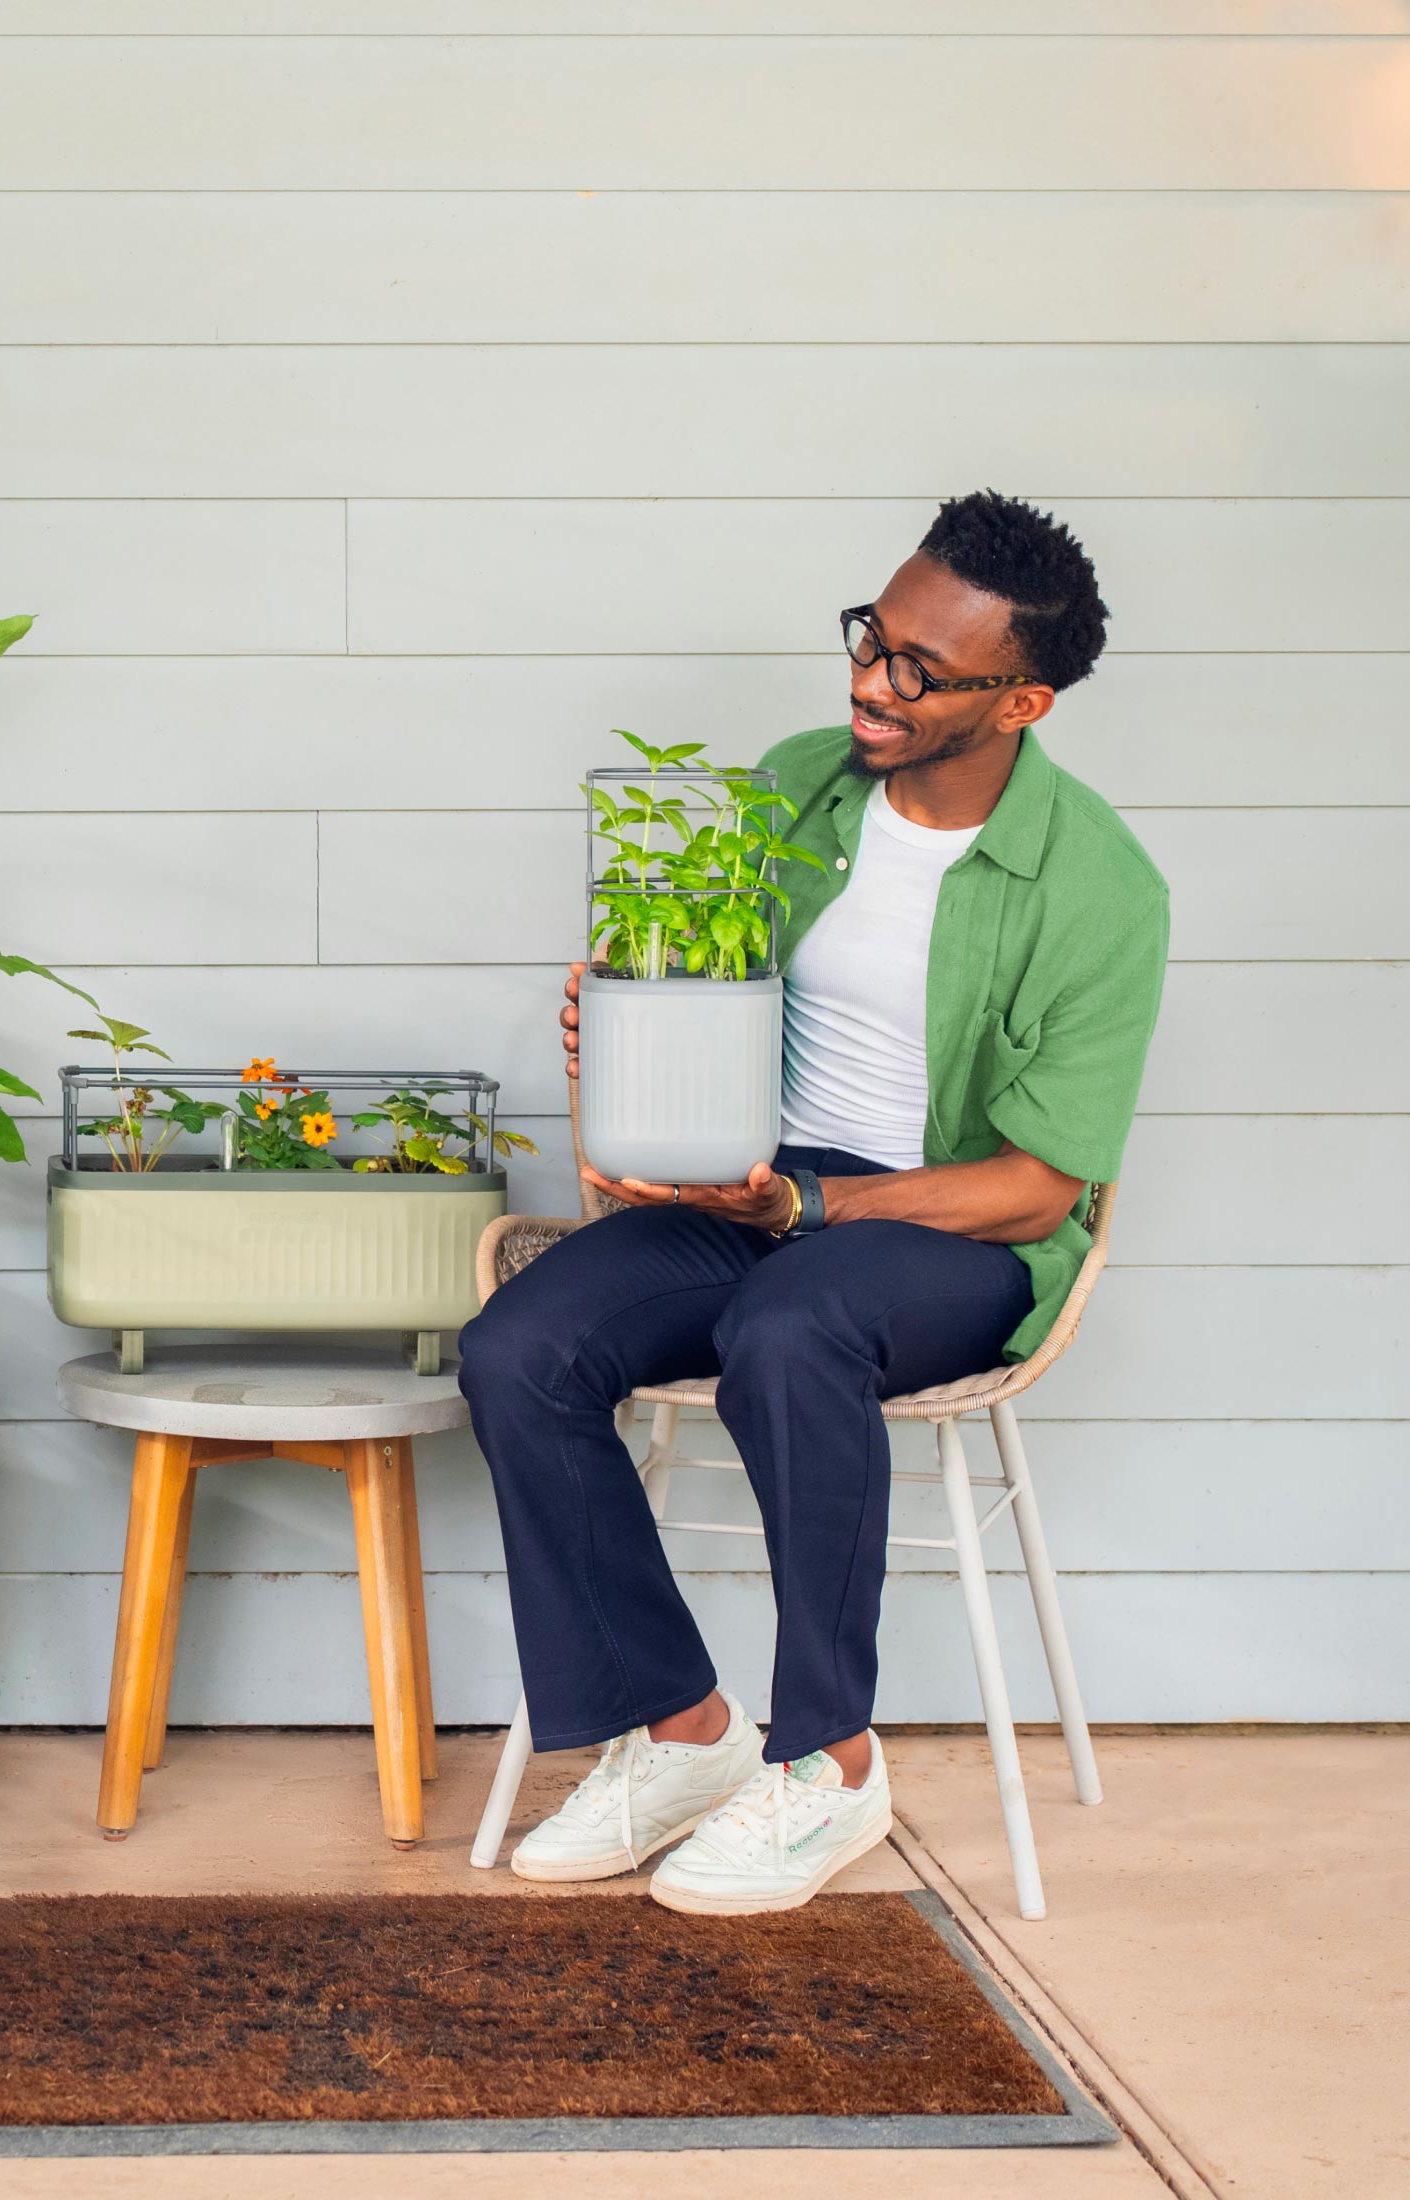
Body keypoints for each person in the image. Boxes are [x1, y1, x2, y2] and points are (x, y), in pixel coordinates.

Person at [458, 490, 1168, 1916]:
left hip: (945, 1236)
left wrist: (813, 1210)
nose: (870, 682)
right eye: (872, 636)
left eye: (920, 667)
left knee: (794, 1325)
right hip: (748, 1191)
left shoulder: (1098, 889)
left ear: (1022, 699)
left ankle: (831, 1764)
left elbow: (1039, 1185)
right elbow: (704, 983)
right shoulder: (796, 783)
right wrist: (639, 1016)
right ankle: (684, 1735)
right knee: (517, 1349)